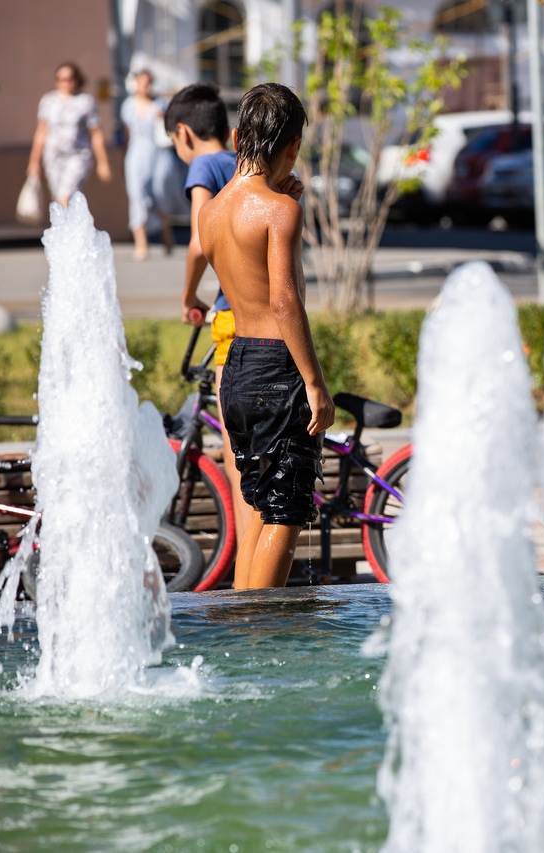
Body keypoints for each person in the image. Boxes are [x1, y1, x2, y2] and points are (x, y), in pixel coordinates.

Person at [197, 82, 334, 589]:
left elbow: (246, 283)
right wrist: (314, 383)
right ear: (293, 146)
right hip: (277, 366)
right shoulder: (280, 211)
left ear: (236, 137)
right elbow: (284, 300)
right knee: (285, 508)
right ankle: (260, 635)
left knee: (258, 499)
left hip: (235, 367)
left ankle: (242, 625)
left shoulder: (210, 214)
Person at [165, 82, 254, 586]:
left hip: (229, 316)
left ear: (183, 133)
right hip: (262, 316)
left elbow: (200, 239)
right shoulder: (244, 163)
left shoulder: (204, 167)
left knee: (234, 445)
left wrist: (187, 297)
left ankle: (244, 565)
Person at [27, 62, 111, 206]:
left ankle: (68, 226)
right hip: (53, 157)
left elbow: (96, 134)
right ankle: (67, 227)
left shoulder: (85, 102)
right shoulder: (48, 101)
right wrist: (34, 162)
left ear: (77, 79)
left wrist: (103, 162)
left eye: (69, 78)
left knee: (65, 195)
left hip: (77, 156)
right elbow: (41, 133)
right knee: (58, 200)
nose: (66, 83)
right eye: (61, 79)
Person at [120, 69, 172, 260]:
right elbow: (127, 135)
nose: (146, 86)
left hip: (157, 153)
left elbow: (168, 131)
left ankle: (167, 235)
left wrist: (162, 117)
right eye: (142, 82)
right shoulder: (128, 105)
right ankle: (141, 244)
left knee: (159, 195)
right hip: (136, 154)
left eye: (148, 82)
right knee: (137, 195)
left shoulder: (160, 104)